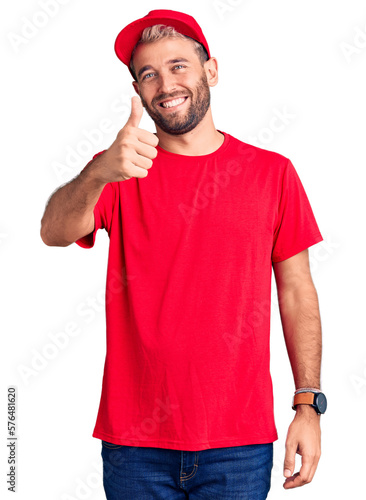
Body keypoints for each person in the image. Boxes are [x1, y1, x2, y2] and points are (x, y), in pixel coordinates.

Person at [40, 9, 327, 500]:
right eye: (147, 74)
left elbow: (297, 290)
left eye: (178, 66)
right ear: (138, 89)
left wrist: (308, 404)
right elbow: (53, 231)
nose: (164, 83)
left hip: (239, 443)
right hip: (135, 444)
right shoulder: (118, 169)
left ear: (210, 71)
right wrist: (98, 173)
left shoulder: (271, 173)